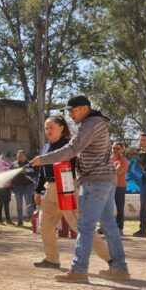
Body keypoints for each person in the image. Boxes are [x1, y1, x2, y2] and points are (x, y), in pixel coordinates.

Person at [30, 95, 128, 283]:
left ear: (84, 108)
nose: (70, 114)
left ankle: (79, 270)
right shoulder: (96, 123)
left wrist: (43, 159)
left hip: (94, 181)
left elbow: (72, 150)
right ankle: (119, 267)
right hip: (104, 179)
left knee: (85, 226)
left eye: (72, 110)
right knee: (108, 225)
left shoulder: (90, 125)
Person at [31, 115, 109, 270]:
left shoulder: (70, 145)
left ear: (61, 127)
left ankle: (111, 259)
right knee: (45, 225)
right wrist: (38, 190)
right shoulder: (46, 147)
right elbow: (42, 171)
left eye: (51, 127)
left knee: (79, 226)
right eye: (46, 128)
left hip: (67, 187)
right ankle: (52, 259)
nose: (48, 131)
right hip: (49, 188)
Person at [10, 150, 36, 226]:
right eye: (18, 155)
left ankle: (33, 220)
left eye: (21, 155)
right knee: (19, 204)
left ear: (25, 156)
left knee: (29, 204)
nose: (19, 156)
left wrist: (26, 171)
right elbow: (10, 173)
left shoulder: (30, 163)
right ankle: (20, 221)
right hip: (17, 187)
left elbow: (34, 172)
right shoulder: (13, 164)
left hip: (28, 186)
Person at [111, 142, 129, 233]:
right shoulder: (108, 159)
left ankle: (119, 228)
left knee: (119, 208)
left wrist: (106, 171)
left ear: (121, 149)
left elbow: (117, 172)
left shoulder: (123, 160)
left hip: (119, 187)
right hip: (108, 187)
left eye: (118, 149)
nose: (115, 150)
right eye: (114, 148)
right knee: (107, 208)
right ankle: (105, 227)